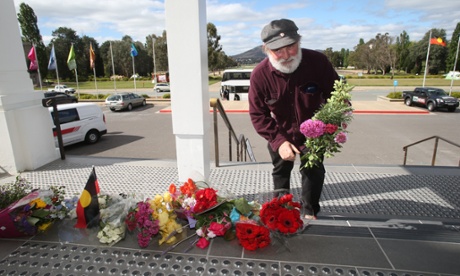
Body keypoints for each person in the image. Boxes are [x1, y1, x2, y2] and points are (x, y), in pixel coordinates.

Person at [248, 19, 339, 220]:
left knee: (313, 171)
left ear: (299, 41)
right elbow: (258, 114)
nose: (286, 55)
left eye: (291, 46)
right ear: (266, 49)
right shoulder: (259, 75)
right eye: (277, 50)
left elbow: (338, 96)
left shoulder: (318, 62)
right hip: (279, 132)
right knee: (280, 170)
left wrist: (330, 125)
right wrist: (279, 141)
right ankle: (281, 210)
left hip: (315, 132)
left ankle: (310, 210)